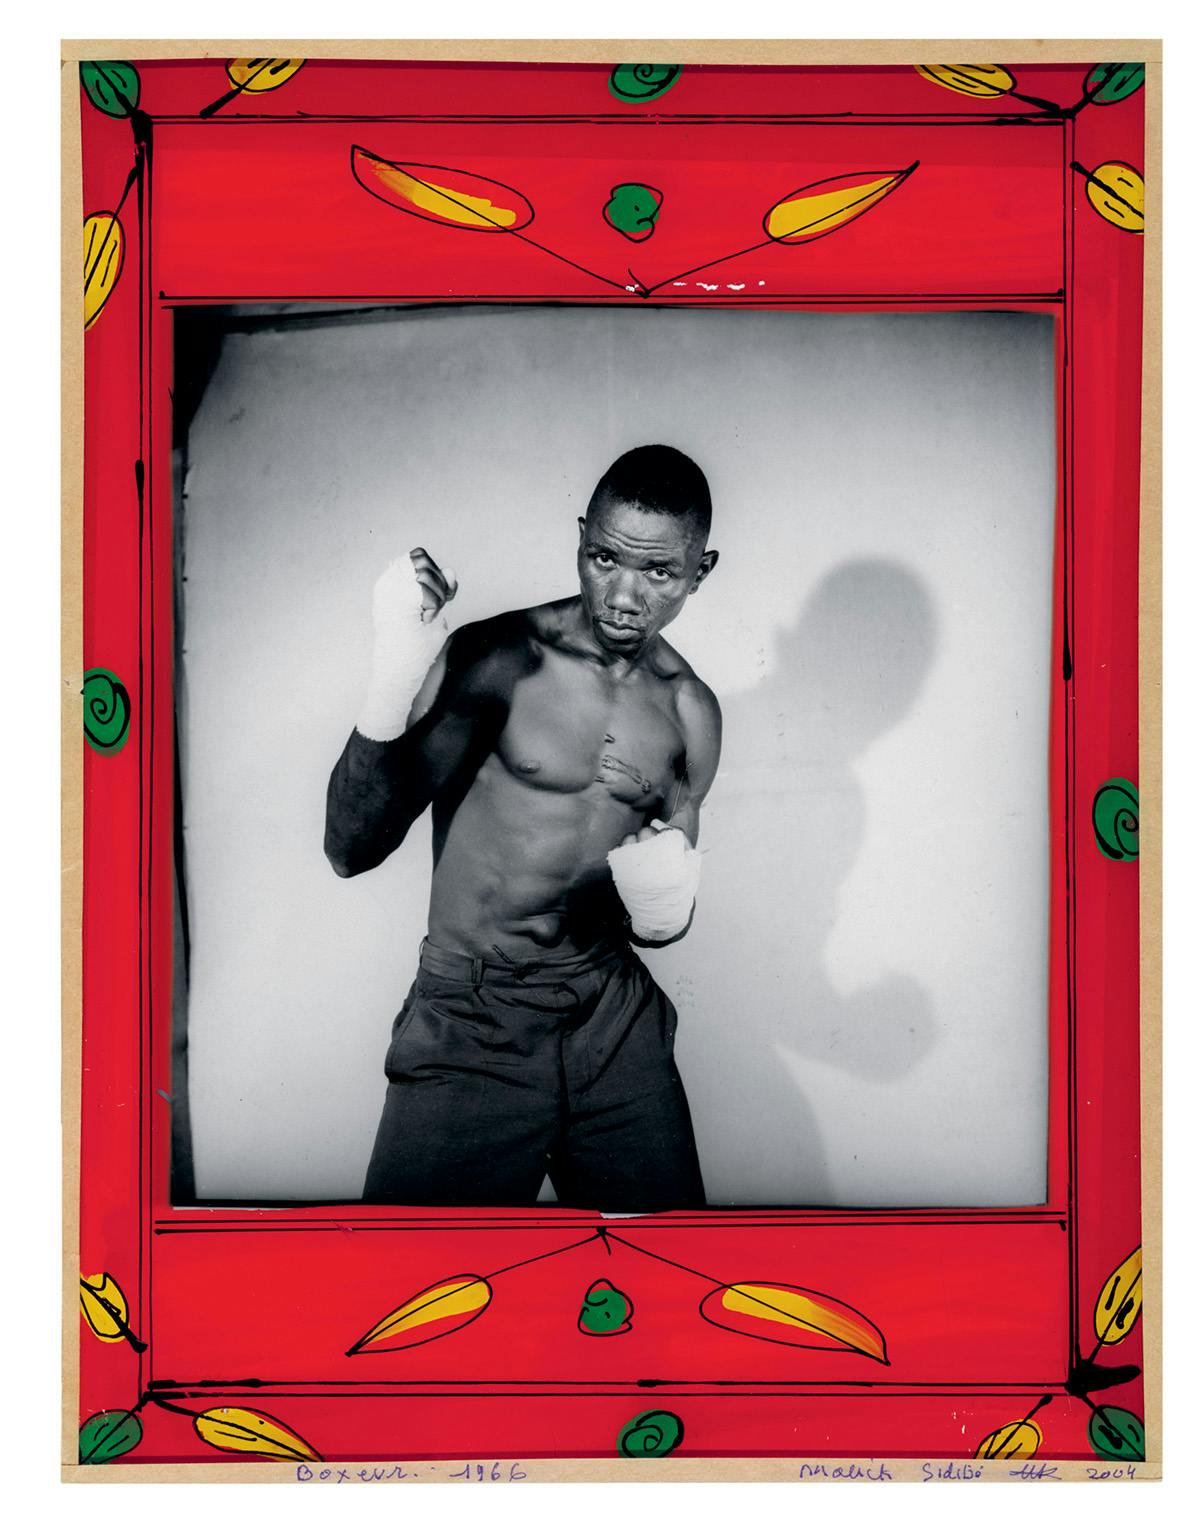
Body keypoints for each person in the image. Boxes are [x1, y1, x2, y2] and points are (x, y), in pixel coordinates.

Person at [325, 444, 721, 1210]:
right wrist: (393, 675)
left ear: (698, 571)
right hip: (473, 1018)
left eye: (658, 572)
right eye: (605, 558)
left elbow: (661, 926)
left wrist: (665, 900)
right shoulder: (498, 659)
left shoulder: (690, 712)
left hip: (611, 1022)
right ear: (581, 538)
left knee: (665, 1267)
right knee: (414, 1276)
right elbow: (350, 848)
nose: (624, 596)